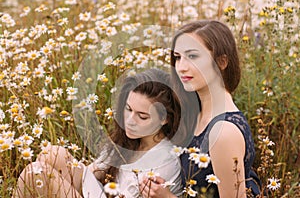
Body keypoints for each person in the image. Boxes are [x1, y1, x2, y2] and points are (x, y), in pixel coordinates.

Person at [14, 68, 183, 198]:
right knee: (52, 154)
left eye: (142, 116)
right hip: (100, 193)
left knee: (37, 171)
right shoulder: (130, 140)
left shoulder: (164, 160)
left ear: (164, 119)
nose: (130, 120)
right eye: (128, 109)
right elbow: (94, 171)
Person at [140, 20, 261, 198]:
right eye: (178, 57)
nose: (181, 67)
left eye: (193, 56)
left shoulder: (223, 132)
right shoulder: (195, 114)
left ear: (222, 62)